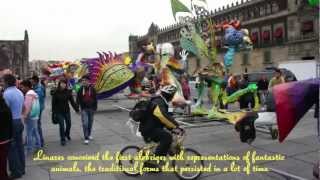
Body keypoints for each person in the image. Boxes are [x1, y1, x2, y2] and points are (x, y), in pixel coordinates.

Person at [139, 84, 180, 157]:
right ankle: (155, 159)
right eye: (173, 95)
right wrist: (176, 125)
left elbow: (169, 114)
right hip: (149, 128)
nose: (173, 97)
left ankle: (161, 155)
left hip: (151, 126)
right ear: (170, 96)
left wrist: (173, 108)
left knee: (167, 136)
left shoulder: (162, 101)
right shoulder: (159, 102)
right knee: (167, 137)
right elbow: (163, 116)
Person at [3, 74, 25, 178]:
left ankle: (16, 171)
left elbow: (5, 111)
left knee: (12, 148)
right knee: (20, 146)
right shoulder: (19, 92)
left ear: (7, 82)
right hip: (19, 120)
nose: (2, 83)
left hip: (11, 122)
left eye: (3, 81)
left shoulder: (6, 94)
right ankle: (22, 168)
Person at [51, 79, 79, 146]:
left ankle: (67, 134)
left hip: (66, 111)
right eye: (61, 83)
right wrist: (53, 112)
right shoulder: (56, 92)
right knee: (62, 126)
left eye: (64, 83)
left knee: (69, 124)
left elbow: (72, 102)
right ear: (59, 84)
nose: (63, 85)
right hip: (59, 112)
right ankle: (62, 139)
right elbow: (53, 103)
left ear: (66, 84)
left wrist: (76, 109)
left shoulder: (68, 92)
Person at [20, 80, 41, 154]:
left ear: (26, 87)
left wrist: (24, 115)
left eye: (22, 87)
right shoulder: (34, 93)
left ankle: (29, 148)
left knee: (29, 133)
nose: (21, 89)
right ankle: (39, 146)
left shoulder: (28, 95)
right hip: (35, 115)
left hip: (30, 116)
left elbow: (27, 107)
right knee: (35, 131)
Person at [76, 75, 97, 145]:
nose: (84, 82)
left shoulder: (92, 89)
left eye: (85, 80)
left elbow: (95, 98)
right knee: (85, 123)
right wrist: (77, 108)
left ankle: (89, 134)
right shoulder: (80, 89)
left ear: (88, 81)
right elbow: (77, 99)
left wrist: (95, 108)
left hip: (91, 109)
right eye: (83, 81)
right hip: (84, 109)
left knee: (90, 123)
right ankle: (86, 138)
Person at [0, 90, 13, 180]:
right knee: (3, 160)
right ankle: (4, 176)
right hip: (5, 138)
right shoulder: (5, 107)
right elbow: (10, 122)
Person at [31, 75, 46, 148]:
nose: (31, 82)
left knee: (37, 125)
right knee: (37, 125)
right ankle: (39, 141)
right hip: (39, 108)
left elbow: (38, 99)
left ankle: (40, 141)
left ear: (35, 81)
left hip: (38, 109)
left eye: (32, 81)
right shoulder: (36, 87)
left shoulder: (39, 89)